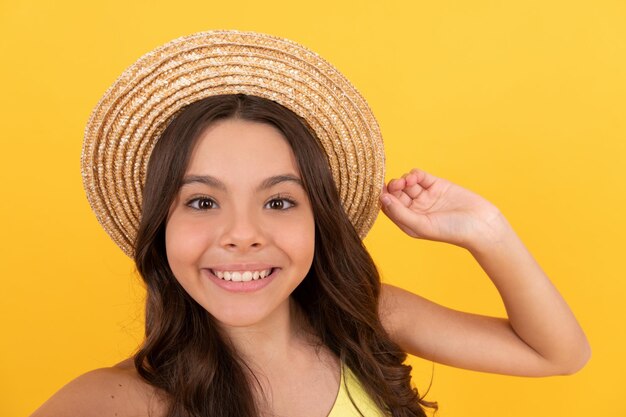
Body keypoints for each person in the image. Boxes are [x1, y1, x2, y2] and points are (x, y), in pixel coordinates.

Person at [31, 31, 590, 417]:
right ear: (162, 227)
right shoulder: (116, 400)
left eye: (278, 202)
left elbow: (557, 354)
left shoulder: (364, 319)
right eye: (202, 202)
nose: (242, 233)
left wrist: (487, 230)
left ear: (318, 219)